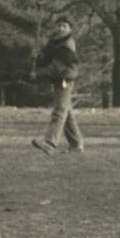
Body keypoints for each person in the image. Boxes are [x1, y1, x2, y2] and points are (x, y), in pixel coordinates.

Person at [31, 15, 84, 155]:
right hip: (60, 79)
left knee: (59, 110)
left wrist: (38, 73)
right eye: (59, 25)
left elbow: (57, 67)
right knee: (67, 112)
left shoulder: (67, 44)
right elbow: (48, 58)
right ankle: (76, 144)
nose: (60, 28)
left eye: (64, 26)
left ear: (70, 29)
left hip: (65, 79)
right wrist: (38, 57)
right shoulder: (56, 42)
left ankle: (50, 143)